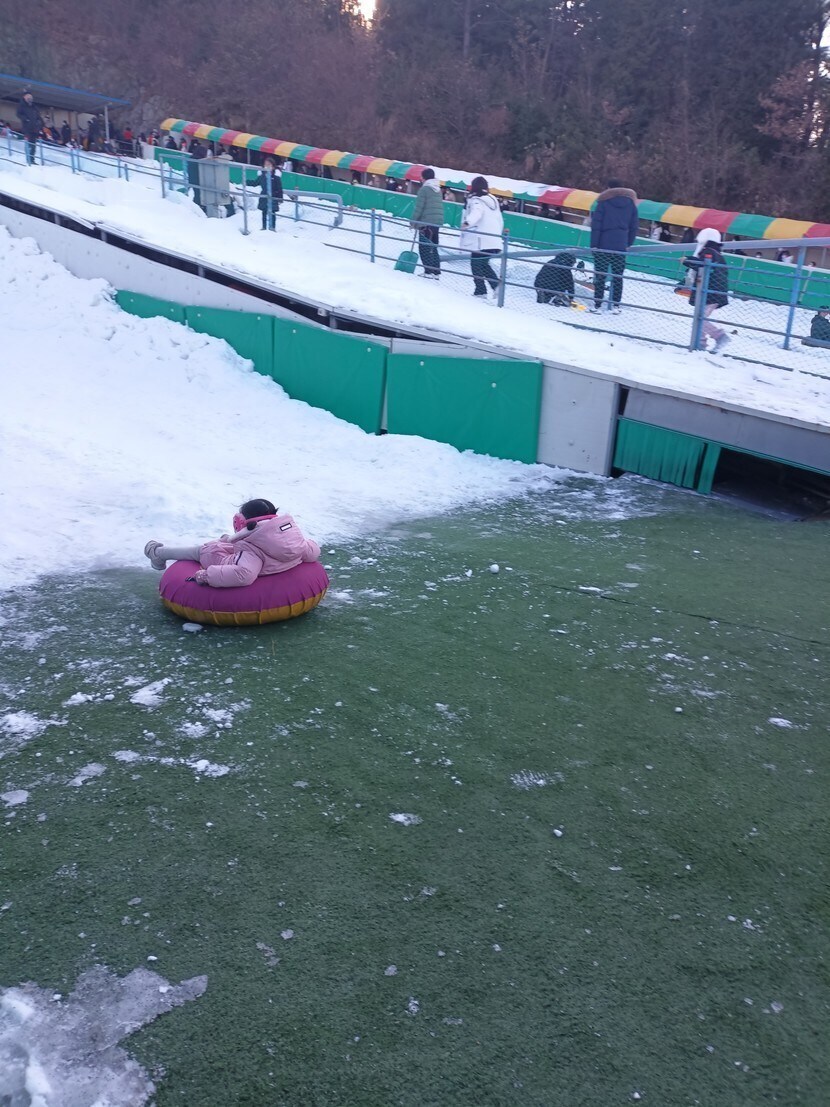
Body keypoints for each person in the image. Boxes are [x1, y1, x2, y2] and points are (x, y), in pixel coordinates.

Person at [144, 498, 320, 587]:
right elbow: (312, 552)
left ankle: (157, 553)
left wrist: (205, 576)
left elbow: (244, 574)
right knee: (227, 543)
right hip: (263, 554)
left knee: (204, 550)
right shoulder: (294, 539)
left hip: (227, 559)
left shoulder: (251, 550)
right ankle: (226, 541)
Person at [589, 178, 639, 314]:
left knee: (600, 275)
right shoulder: (630, 203)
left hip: (603, 245)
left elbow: (596, 226)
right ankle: (616, 305)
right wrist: (628, 243)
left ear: (608, 188)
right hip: (620, 245)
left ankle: (597, 304)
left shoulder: (603, 203)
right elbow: (634, 226)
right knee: (618, 276)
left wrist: (594, 245)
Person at [683, 227, 730, 353]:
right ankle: (700, 343)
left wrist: (687, 260)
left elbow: (702, 264)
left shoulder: (709, 252)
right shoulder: (717, 254)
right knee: (699, 317)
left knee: (700, 318)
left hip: (710, 292)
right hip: (712, 291)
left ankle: (720, 336)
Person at [459, 176, 504, 302]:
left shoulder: (476, 200)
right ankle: (495, 286)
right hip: (493, 239)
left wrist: (467, 223)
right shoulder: (493, 200)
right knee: (483, 264)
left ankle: (481, 291)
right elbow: (499, 220)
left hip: (481, 239)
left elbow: (476, 213)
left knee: (476, 264)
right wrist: (498, 235)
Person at [410, 167, 444, 279]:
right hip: (436, 223)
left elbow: (419, 208)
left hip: (426, 222)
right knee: (433, 247)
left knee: (424, 248)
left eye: (421, 176)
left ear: (424, 178)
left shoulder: (424, 190)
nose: (420, 178)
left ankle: (428, 271)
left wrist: (413, 222)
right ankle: (436, 272)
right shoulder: (438, 190)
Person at [255, 156, 283, 231]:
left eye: (269, 165)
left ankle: (272, 227)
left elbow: (279, 188)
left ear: (273, 166)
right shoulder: (262, 176)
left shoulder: (276, 177)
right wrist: (245, 182)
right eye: (265, 164)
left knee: (272, 212)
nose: (267, 166)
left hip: (273, 197)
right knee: (264, 212)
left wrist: (280, 199)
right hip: (264, 197)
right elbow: (255, 183)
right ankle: (264, 227)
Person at [16, 91, 44, 166]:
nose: (30, 98)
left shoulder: (34, 107)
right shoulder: (22, 106)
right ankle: (28, 159)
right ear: (24, 97)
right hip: (27, 128)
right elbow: (18, 114)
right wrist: (25, 119)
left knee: (33, 145)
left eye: (31, 96)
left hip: (35, 128)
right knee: (29, 144)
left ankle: (32, 159)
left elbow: (38, 116)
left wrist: (40, 123)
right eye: (28, 96)